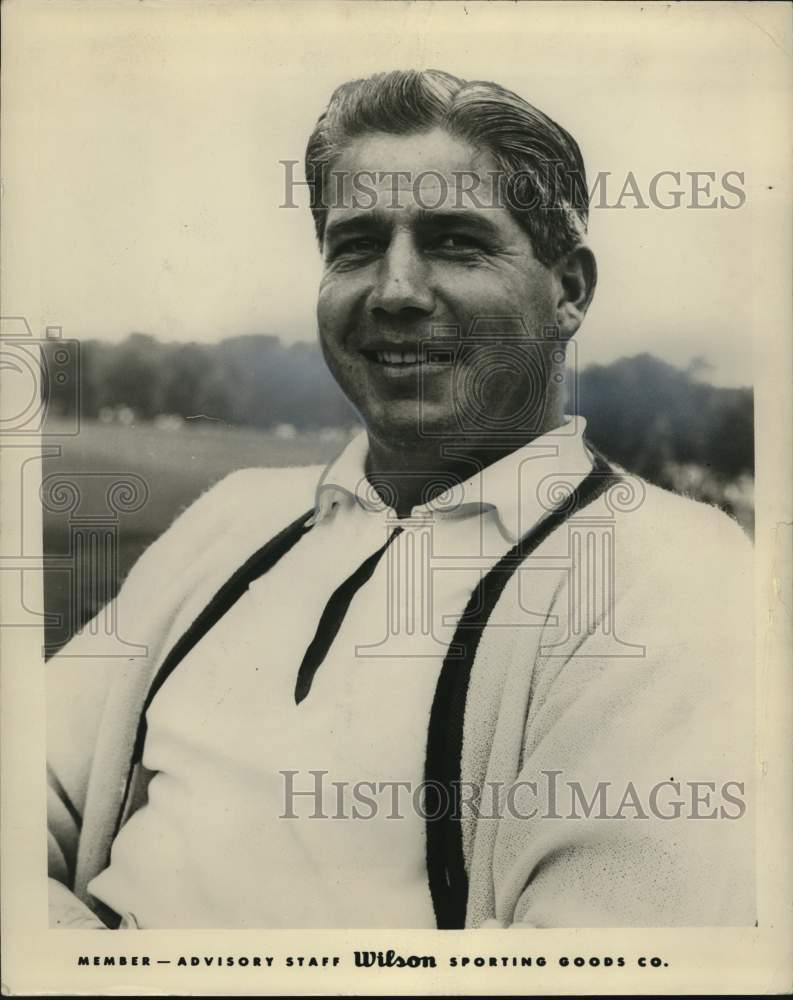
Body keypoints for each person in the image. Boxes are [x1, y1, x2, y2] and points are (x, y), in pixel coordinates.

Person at [47, 69, 754, 930]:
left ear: (568, 290)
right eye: (354, 245)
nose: (395, 292)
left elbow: (595, 967)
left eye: (456, 242)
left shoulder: (671, 572)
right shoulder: (234, 518)